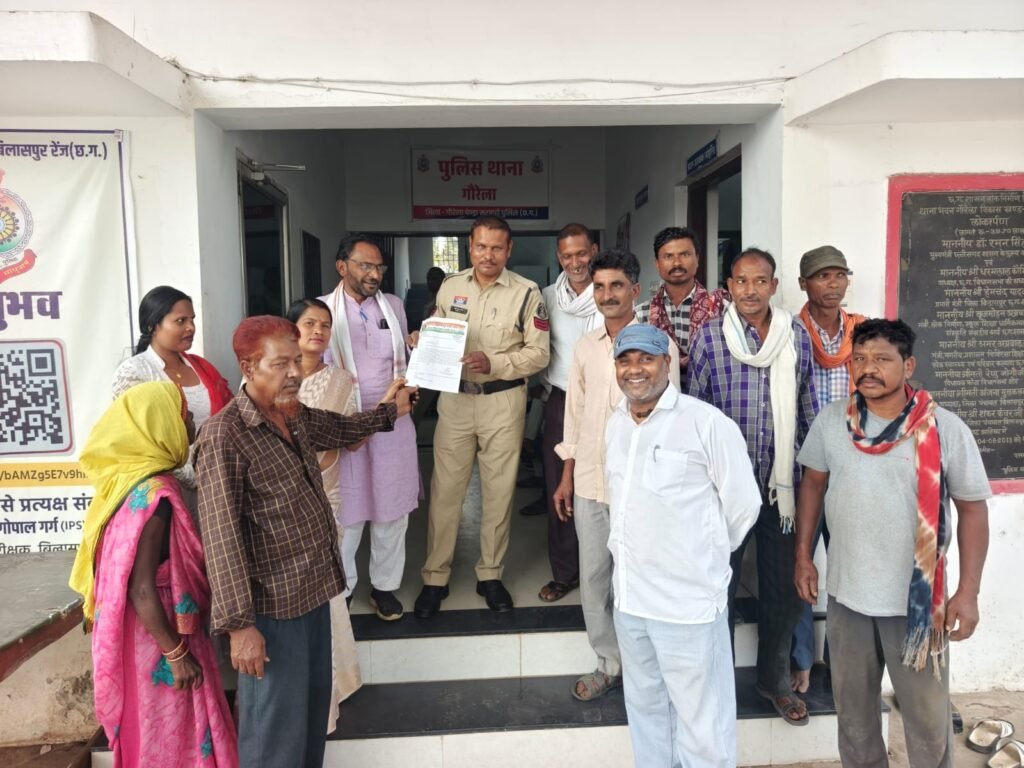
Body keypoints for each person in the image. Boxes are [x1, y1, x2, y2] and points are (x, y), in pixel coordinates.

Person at [195, 315, 414, 768]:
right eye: (281, 364)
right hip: (270, 611)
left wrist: (390, 411)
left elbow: (341, 430)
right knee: (275, 733)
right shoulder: (225, 435)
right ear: (248, 367)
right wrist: (239, 627)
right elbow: (221, 537)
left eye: (297, 361)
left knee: (311, 719)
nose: (295, 373)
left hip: (313, 594)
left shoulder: (292, 415)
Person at [794, 319, 991, 767]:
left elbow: (973, 510)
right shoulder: (832, 422)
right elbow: (812, 487)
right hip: (848, 597)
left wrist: (968, 592)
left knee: (927, 722)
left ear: (908, 365)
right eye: (860, 359)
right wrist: (803, 556)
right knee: (855, 720)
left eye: (882, 359)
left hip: (916, 605)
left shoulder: (944, 428)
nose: (868, 369)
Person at [606, 325, 761, 768]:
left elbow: (744, 507)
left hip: (687, 605)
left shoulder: (705, 423)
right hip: (632, 603)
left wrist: (701, 558)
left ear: (667, 363)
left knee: (702, 722)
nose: (634, 369)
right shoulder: (616, 424)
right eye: (625, 360)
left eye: (646, 358)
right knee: (646, 711)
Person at [69, 382, 238, 768]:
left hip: (140, 631)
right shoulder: (156, 495)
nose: (191, 421)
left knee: (152, 732)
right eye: (183, 414)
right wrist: (176, 655)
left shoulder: (123, 485)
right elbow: (141, 587)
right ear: (159, 426)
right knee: (171, 735)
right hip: (159, 634)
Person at [687, 247, 819, 726]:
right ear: (728, 286)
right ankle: (716, 681)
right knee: (717, 587)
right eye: (741, 281)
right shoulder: (709, 338)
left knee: (783, 590)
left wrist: (811, 473)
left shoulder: (794, 335)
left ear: (774, 286)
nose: (750, 290)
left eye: (760, 281)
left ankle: (774, 681)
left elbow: (807, 407)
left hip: (782, 491)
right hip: (724, 491)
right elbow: (694, 415)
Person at [554, 248, 680, 702]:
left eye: (616, 286)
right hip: (590, 481)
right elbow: (575, 413)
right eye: (600, 286)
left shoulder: (660, 346)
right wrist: (567, 473)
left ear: (635, 290)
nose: (607, 295)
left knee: (642, 575)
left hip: (642, 486)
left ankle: (647, 664)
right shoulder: (585, 347)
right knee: (593, 578)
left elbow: (671, 418)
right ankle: (609, 663)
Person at [413, 215, 550, 617]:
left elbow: (539, 354)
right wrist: (422, 339)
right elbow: (437, 332)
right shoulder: (450, 286)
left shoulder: (527, 293)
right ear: (469, 247)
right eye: (481, 246)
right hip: (455, 402)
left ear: (509, 250)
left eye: (496, 248)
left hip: (502, 403)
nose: (488, 255)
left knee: (499, 491)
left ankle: (490, 574)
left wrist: (495, 362)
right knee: (445, 492)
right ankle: (434, 577)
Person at [320, 235, 418, 621]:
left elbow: (406, 361)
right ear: (342, 266)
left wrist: (418, 347)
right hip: (344, 424)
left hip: (394, 423)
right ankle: (342, 588)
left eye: (379, 267)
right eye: (365, 265)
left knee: (392, 508)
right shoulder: (322, 311)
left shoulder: (394, 306)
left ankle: (385, 588)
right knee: (347, 511)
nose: (374, 274)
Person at [790, 245, 868, 693]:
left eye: (840, 274)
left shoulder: (865, 333)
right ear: (804, 284)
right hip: (803, 470)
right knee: (800, 566)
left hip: (855, 467)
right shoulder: (790, 333)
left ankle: (843, 665)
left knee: (850, 569)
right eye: (823, 276)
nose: (833, 283)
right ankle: (801, 660)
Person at [287, 298, 363, 732]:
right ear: (292, 329)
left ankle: (337, 681)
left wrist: (385, 409)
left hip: (324, 496)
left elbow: (350, 439)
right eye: (309, 323)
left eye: (325, 325)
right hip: (280, 500)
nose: (318, 331)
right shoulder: (269, 375)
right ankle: (308, 684)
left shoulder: (341, 381)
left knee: (326, 586)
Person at [525, 223, 601, 603]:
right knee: (560, 486)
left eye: (581, 253)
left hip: (606, 402)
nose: (575, 262)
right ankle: (565, 573)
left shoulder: (608, 290)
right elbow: (536, 344)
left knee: (605, 487)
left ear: (594, 251)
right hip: (562, 402)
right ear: (559, 257)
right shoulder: (546, 297)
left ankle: (606, 573)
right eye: (567, 255)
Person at [112, 285, 234, 489]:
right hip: (164, 488)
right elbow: (140, 442)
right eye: (180, 321)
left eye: (192, 319)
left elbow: (229, 420)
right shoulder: (134, 372)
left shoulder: (202, 368)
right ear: (153, 326)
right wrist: (194, 477)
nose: (191, 327)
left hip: (216, 480)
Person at [636, 226, 729, 374]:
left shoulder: (722, 309)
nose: (677, 263)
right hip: (659, 388)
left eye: (685, 255)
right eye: (668, 256)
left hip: (712, 388)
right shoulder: (641, 314)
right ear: (657, 264)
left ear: (697, 259)